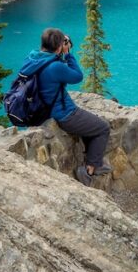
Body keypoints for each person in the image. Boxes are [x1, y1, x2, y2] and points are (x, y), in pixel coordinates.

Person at [18, 27, 112, 185]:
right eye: (63, 43)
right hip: (65, 114)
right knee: (102, 128)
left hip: (43, 111)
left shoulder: (33, 58)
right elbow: (77, 76)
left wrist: (59, 49)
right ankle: (89, 168)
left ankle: (92, 160)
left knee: (92, 125)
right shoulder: (55, 66)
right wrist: (68, 54)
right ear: (59, 46)